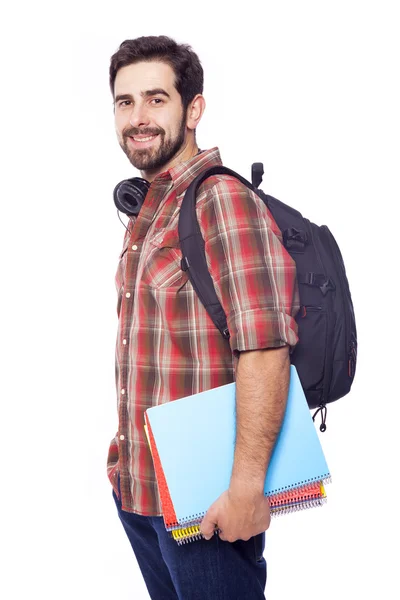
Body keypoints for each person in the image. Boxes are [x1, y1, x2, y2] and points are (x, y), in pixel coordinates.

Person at [107, 35, 300, 600]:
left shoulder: (221, 200)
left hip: (206, 499)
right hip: (141, 488)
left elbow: (264, 345)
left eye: (156, 99)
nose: (138, 118)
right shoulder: (152, 204)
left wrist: (246, 489)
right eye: (125, 102)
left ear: (193, 108)